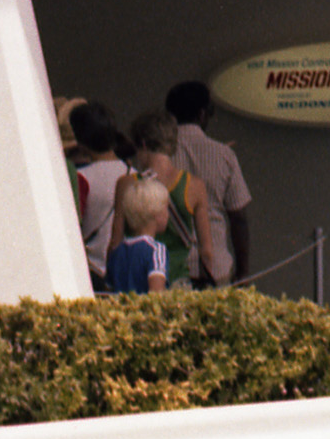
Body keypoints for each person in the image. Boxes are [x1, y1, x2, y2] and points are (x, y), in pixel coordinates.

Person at [166, 82, 254, 286]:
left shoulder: (160, 156)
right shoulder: (224, 155)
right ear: (203, 114)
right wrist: (243, 272)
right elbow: (238, 217)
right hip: (216, 268)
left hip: (171, 268)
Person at [129, 111, 212, 287]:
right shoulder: (195, 186)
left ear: (143, 144)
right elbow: (207, 251)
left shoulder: (129, 184)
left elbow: (115, 240)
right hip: (177, 279)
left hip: (136, 280)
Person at [67, 102, 135, 287]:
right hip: (126, 272)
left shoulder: (78, 178)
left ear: (80, 140)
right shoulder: (135, 175)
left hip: (90, 271)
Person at [105, 180, 171, 295]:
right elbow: (157, 293)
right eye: (166, 208)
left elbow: (108, 290)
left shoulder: (117, 252)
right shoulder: (156, 250)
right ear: (157, 214)